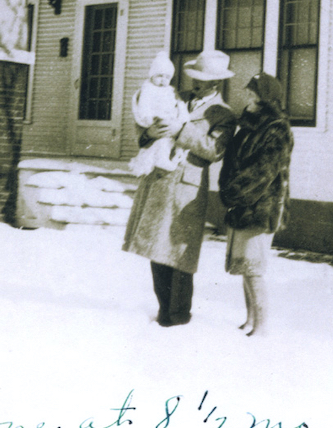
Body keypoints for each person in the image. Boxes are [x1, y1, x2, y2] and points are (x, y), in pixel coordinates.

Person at [122, 50, 236, 327]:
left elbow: (214, 150)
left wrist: (181, 130)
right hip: (160, 179)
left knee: (180, 253)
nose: (195, 84)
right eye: (194, 78)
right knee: (156, 248)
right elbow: (146, 125)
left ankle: (179, 316)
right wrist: (149, 134)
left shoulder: (223, 114)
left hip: (188, 188)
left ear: (216, 84)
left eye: (202, 80)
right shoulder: (175, 96)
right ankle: (163, 311)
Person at [218, 73, 293, 337]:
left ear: (266, 99)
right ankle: (250, 320)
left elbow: (264, 172)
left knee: (253, 269)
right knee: (244, 267)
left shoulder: (276, 129)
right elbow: (231, 161)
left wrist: (234, 192)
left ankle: (261, 327)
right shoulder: (248, 126)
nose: (248, 97)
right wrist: (228, 188)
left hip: (261, 209)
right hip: (242, 207)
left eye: (253, 93)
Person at [129, 52, 189, 176]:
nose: (163, 80)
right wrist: (148, 120)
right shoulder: (147, 89)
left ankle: (177, 155)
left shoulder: (171, 91)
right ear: (152, 76)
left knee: (171, 141)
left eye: (167, 77)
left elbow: (180, 105)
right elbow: (142, 107)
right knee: (162, 141)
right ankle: (162, 159)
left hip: (172, 119)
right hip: (157, 119)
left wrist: (183, 118)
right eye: (159, 76)